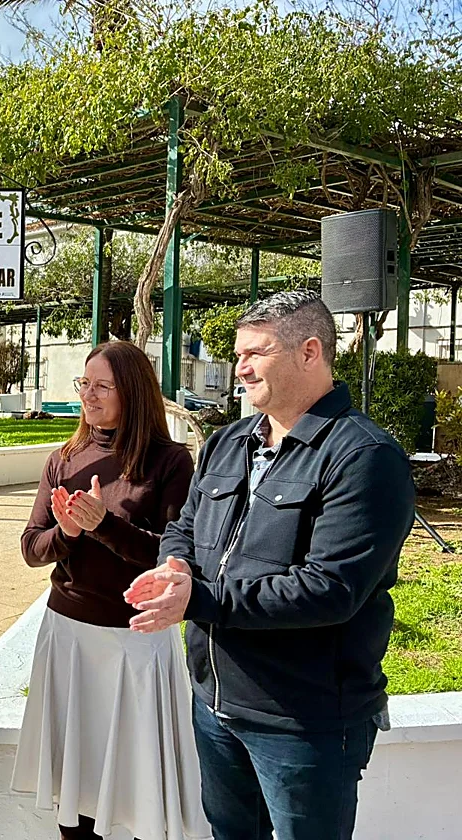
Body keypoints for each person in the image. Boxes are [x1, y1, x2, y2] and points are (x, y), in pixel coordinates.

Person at [125, 290, 416, 840]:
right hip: (215, 704)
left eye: (255, 353)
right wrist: (177, 567)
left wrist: (200, 600)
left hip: (304, 721)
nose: (240, 368)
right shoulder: (227, 443)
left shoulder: (364, 458)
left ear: (310, 352)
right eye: (239, 354)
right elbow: (184, 528)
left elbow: (331, 589)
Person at [12, 340, 208, 840]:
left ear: (134, 392)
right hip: (70, 639)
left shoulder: (170, 463)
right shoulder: (65, 458)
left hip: (134, 643)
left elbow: (172, 554)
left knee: (137, 792)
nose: (89, 395)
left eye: (103, 386)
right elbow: (32, 548)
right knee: (74, 793)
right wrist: (68, 534)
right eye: (85, 383)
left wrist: (103, 524)